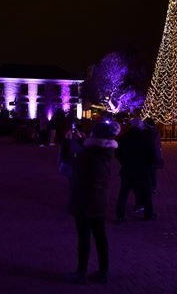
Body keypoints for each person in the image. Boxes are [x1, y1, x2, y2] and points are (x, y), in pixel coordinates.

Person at [66, 121, 120, 285]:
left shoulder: (87, 155)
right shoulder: (105, 151)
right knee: (100, 236)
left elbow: (72, 165)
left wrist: (72, 144)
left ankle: (81, 272)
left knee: (84, 238)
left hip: (85, 200)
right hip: (99, 200)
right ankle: (103, 271)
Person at [114, 118, 160, 222]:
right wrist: (147, 165)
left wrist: (124, 162)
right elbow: (152, 154)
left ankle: (120, 215)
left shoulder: (123, 138)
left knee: (123, 194)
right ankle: (148, 214)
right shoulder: (146, 138)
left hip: (127, 169)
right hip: (142, 170)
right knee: (146, 193)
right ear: (140, 126)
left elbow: (117, 153)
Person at [58, 123, 86, 211]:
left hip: (73, 166)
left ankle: (74, 204)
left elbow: (62, 155)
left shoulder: (68, 142)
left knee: (74, 186)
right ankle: (75, 205)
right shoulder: (78, 142)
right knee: (76, 187)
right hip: (76, 166)